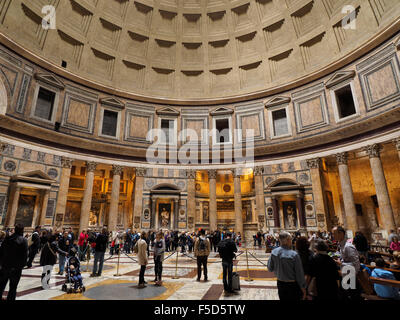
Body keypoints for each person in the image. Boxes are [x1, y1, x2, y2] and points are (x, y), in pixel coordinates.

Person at [267, 232, 306, 301]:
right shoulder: (294, 255)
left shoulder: (273, 252)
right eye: (290, 239)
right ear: (287, 240)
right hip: (292, 285)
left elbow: (270, 268)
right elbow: (299, 274)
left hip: (280, 283)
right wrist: (303, 287)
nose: (291, 241)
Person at [332, 226, 361, 301]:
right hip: (345, 275)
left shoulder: (348, 247)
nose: (333, 236)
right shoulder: (341, 245)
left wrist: (341, 263)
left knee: (353, 296)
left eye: (334, 234)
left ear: (341, 233)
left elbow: (356, 265)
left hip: (351, 277)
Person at [0, 224, 28, 300]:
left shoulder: (7, 238)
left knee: (1, 285)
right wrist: (22, 266)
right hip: (16, 268)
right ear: (22, 230)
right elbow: (25, 256)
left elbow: (1, 252)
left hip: (5, 266)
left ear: (15, 230)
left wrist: (2, 264)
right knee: (13, 287)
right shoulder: (23, 240)